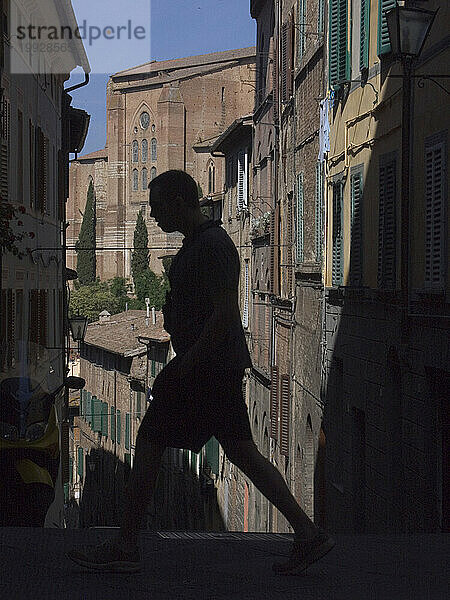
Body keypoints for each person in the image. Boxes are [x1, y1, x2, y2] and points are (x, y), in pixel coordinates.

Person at [67, 170, 334, 575]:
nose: (153, 215)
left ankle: (126, 544)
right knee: (241, 450)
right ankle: (307, 533)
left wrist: (180, 368)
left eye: (157, 207)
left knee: (152, 438)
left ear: (178, 202)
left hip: (205, 369)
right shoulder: (203, 244)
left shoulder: (212, 246)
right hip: (212, 368)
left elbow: (224, 316)